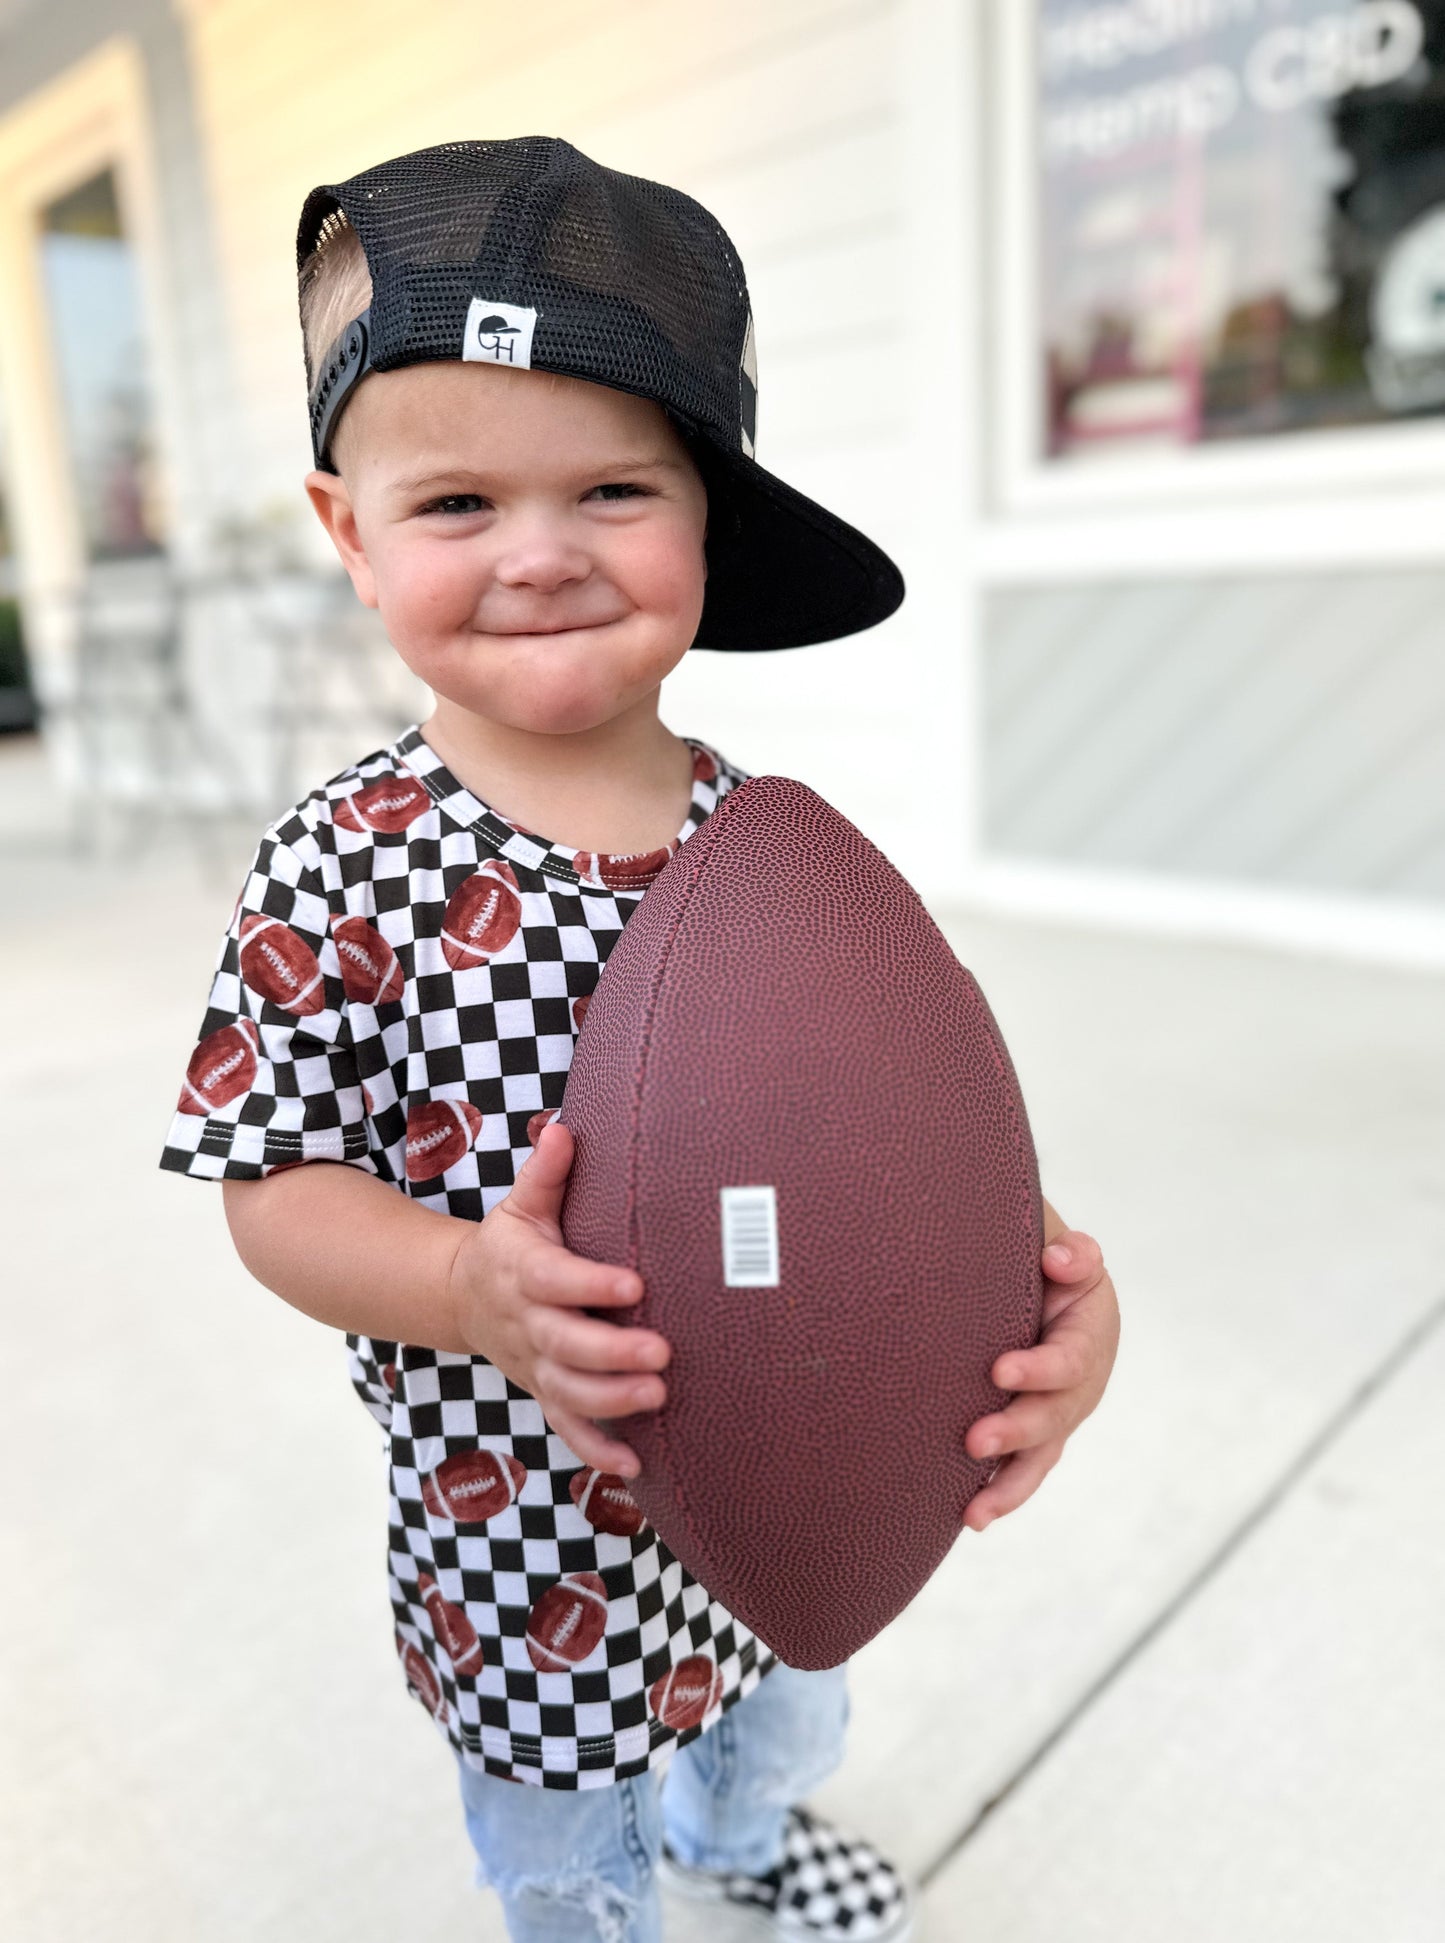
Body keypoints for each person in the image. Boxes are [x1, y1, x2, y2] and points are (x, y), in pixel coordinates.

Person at [159, 137, 1120, 1943]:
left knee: (784, 1701)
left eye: (612, 489)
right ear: (347, 533)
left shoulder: (773, 852)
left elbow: (905, 1129)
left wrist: (1050, 1301)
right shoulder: (339, 866)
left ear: (705, 517)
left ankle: (747, 1846)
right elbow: (269, 1186)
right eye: (455, 507)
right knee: (562, 1842)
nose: (538, 554)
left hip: (793, 1450)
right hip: (519, 1530)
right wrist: (464, 1290)